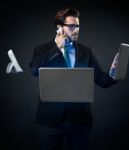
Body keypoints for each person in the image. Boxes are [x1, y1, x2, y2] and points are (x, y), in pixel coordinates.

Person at [29, 8, 118, 150]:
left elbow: (101, 80)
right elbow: (34, 70)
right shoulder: (42, 49)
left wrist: (114, 72)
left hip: (80, 120)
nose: (76, 30)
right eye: (71, 26)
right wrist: (57, 48)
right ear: (59, 28)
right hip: (51, 119)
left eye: (78, 26)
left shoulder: (85, 51)